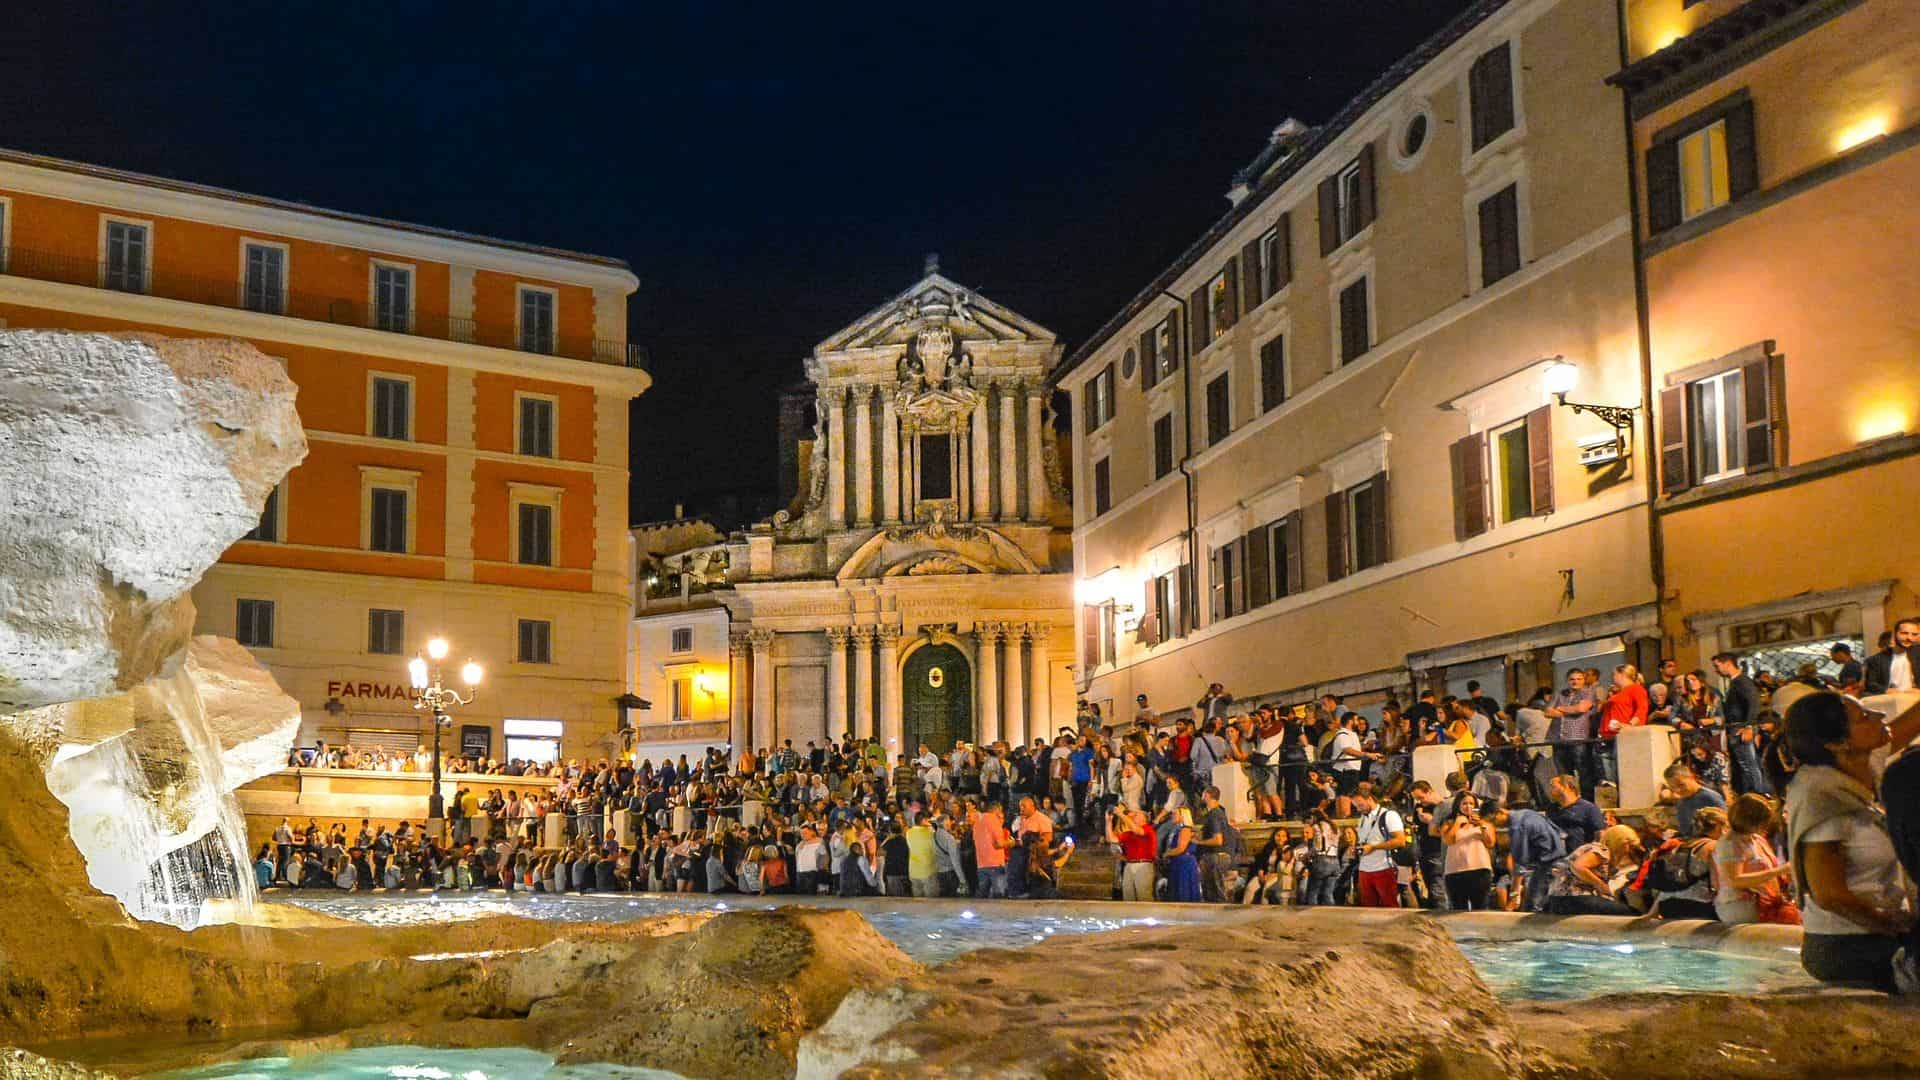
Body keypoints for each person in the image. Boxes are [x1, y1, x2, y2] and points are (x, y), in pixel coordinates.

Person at [1773, 691, 1914, 990]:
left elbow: (1907, 726)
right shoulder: (1822, 797)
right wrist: (1891, 926)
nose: (1879, 717)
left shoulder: (1856, 766)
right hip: (1847, 945)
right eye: (1864, 717)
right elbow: (1829, 894)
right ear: (1838, 743)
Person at [1714, 793, 1795, 925]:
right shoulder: (1730, 844)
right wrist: (1779, 871)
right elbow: (1734, 880)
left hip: (1767, 902)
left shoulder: (1757, 839)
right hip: (1742, 907)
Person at [1546, 824, 1640, 916]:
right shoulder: (1601, 851)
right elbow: (1578, 867)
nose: (1629, 851)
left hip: (1562, 900)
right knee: (1631, 913)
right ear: (1619, 842)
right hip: (1571, 898)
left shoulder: (1595, 849)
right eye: (1629, 846)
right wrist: (1601, 885)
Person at [1350, 782, 1408, 908]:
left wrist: (1374, 847)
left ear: (1370, 799)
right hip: (1365, 869)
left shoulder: (1389, 815)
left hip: (1384, 868)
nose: (1358, 809)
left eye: (1360, 805)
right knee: (1367, 907)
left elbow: (1400, 840)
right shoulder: (1362, 819)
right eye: (1356, 806)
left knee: (1390, 906)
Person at [1440, 792, 1494, 911]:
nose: (1468, 806)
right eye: (1464, 803)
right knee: (1458, 909)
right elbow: (1449, 841)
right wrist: (1457, 823)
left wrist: (1481, 825)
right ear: (1458, 805)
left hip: (1480, 870)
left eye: (1471, 803)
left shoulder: (1484, 822)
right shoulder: (1448, 822)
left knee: (1480, 909)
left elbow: (1490, 843)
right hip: (1455, 872)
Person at [1109, 806, 1158, 901]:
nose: (1134, 816)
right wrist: (1108, 821)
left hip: (1143, 864)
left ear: (1144, 818)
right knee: (1128, 895)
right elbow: (1111, 839)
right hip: (1129, 865)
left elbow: (1138, 831)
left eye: (1137, 814)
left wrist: (1120, 814)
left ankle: (1146, 916)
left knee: (1143, 895)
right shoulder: (1129, 833)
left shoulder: (1147, 828)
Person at [1864, 617, 1920, 694]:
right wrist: (1885, 690)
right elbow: (1870, 684)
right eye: (1904, 633)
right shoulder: (1876, 659)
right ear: (1894, 634)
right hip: (1890, 701)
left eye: (1914, 634)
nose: (1909, 638)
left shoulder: (1917, 654)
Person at [1161, 806, 1202, 902]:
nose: (1172, 816)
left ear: (1183, 816)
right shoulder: (1176, 829)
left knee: (1183, 890)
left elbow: (1181, 848)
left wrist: (1167, 853)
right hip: (1177, 862)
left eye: (1175, 814)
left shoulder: (1185, 829)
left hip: (1184, 863)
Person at [973, 803, 1013, 898]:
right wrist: (1013, 843)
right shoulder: (994, 820)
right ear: (997, 810)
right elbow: (999, 844)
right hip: (995, 864)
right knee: (999, 896)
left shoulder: (977, 822)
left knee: (983, 896)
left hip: (981, 864)